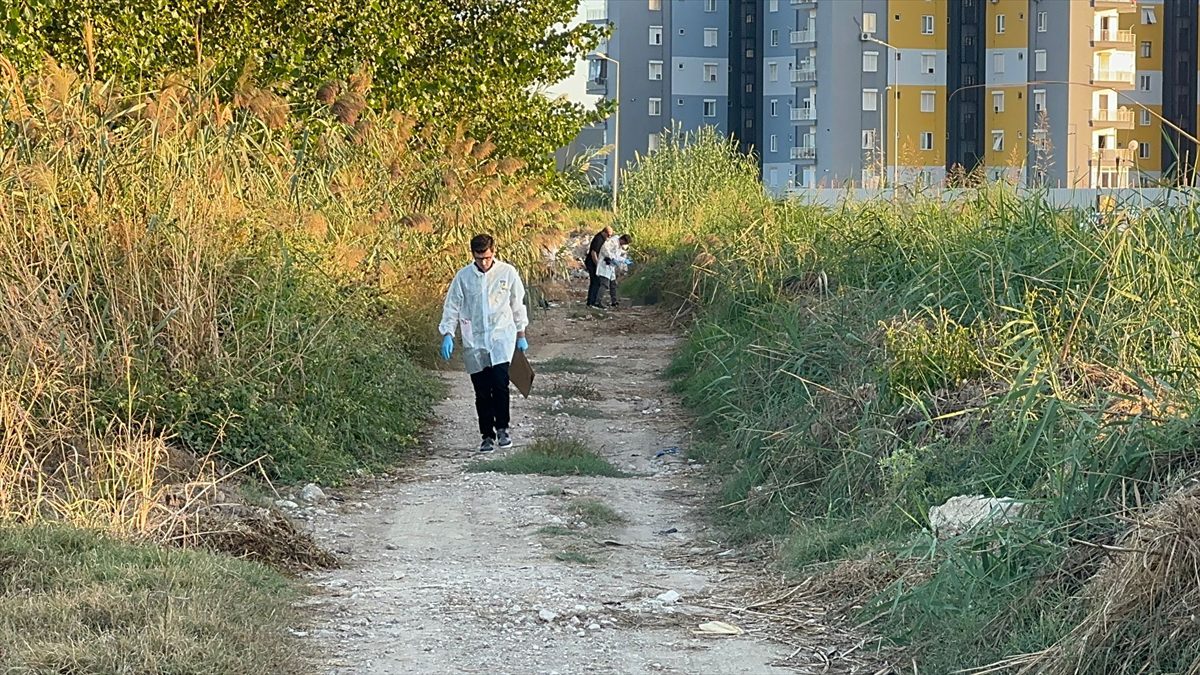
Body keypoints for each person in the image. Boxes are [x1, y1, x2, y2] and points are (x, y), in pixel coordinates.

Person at [439, 234, 530, 452]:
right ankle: (486, 434)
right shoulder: (463, 277)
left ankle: (502, 428)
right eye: (479, 258)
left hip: (501, 337)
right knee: (481, 390)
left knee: (500, 384)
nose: (484, 263)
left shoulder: (507, 273)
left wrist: (521, 333)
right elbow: (452, 306)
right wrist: (448, 333)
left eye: (487, 257)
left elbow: (517, 303)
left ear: (494, 252)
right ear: (473, 255)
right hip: (475, 339)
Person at [596, 233, 632, 308]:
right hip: (605, 265)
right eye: (624, 243)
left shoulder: (618, 246)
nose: (624, 245)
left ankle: (614, 301)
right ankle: (597, 302)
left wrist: (624, 260)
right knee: (604, 284)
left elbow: (616, 256)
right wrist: (611, 258)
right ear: (622, 239)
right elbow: (604, 249)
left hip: (610, 266)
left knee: (613, 284)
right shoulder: (613, 241)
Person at [584, 224, 614, 309]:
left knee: (595, 282)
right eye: (608, 235)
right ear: (603, 232)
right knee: (595, 282)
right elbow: (593, 253)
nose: (608, 237)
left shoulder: (602, 238)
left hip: (593, 262)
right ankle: (592, 302)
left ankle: (591, 302)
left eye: (610, 236)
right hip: (592, 263)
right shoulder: (598, 239)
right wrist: (597, 265)